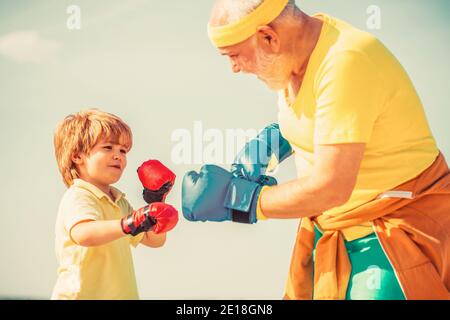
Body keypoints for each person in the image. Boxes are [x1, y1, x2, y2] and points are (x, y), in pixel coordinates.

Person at [181, 0, 450, 299]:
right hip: (333, 232)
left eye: (233, 55)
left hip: (392, 236)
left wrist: (239, 199)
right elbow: (335, 116)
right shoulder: (294, 58)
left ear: (269, 36)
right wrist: (275, 141)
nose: (233, 68)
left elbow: (331, 187)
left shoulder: (347, 60)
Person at [52, 109, 178, 299]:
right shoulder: (79, 195)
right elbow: (84, 233)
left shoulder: (119, 201)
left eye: (123, 150)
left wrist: (156, 204)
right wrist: (129, 224)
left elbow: (155, 241)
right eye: (108, 148)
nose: (118, 155)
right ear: (77, 156)